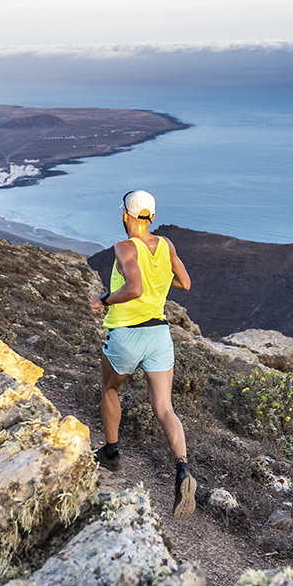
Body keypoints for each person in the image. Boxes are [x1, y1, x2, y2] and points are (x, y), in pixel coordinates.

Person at [89, 189, 196, 518]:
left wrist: (104, 299)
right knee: (164, 408)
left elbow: (133, 287)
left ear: (126, 215)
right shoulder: (167, 245)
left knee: (110, 389)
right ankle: (182, 469)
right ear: (150, 217)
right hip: (160, 335)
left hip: (127, 335)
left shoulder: (124, 247)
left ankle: (111, 452)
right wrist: (159, 282)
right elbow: (185, 282)